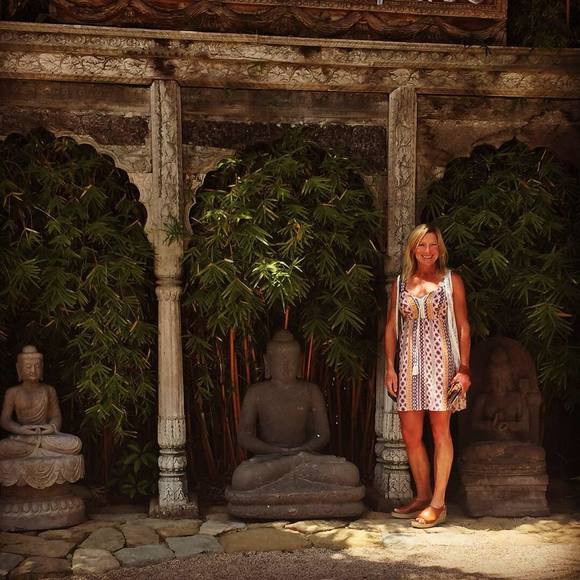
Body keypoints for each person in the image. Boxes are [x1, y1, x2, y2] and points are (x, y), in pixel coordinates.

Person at [384, 224, 471, 528]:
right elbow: (391, 327)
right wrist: (390, 367)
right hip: (409, 365)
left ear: (440, 248)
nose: (428, 251)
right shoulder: (400, 283)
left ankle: (438, 503)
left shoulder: (451, 281)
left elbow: (463, 325)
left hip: (442, 365)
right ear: (413, 249)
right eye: (422, 245)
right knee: (410, 434)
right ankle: (422, 495)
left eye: (433, 245)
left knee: (440, 431)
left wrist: (464, 369)